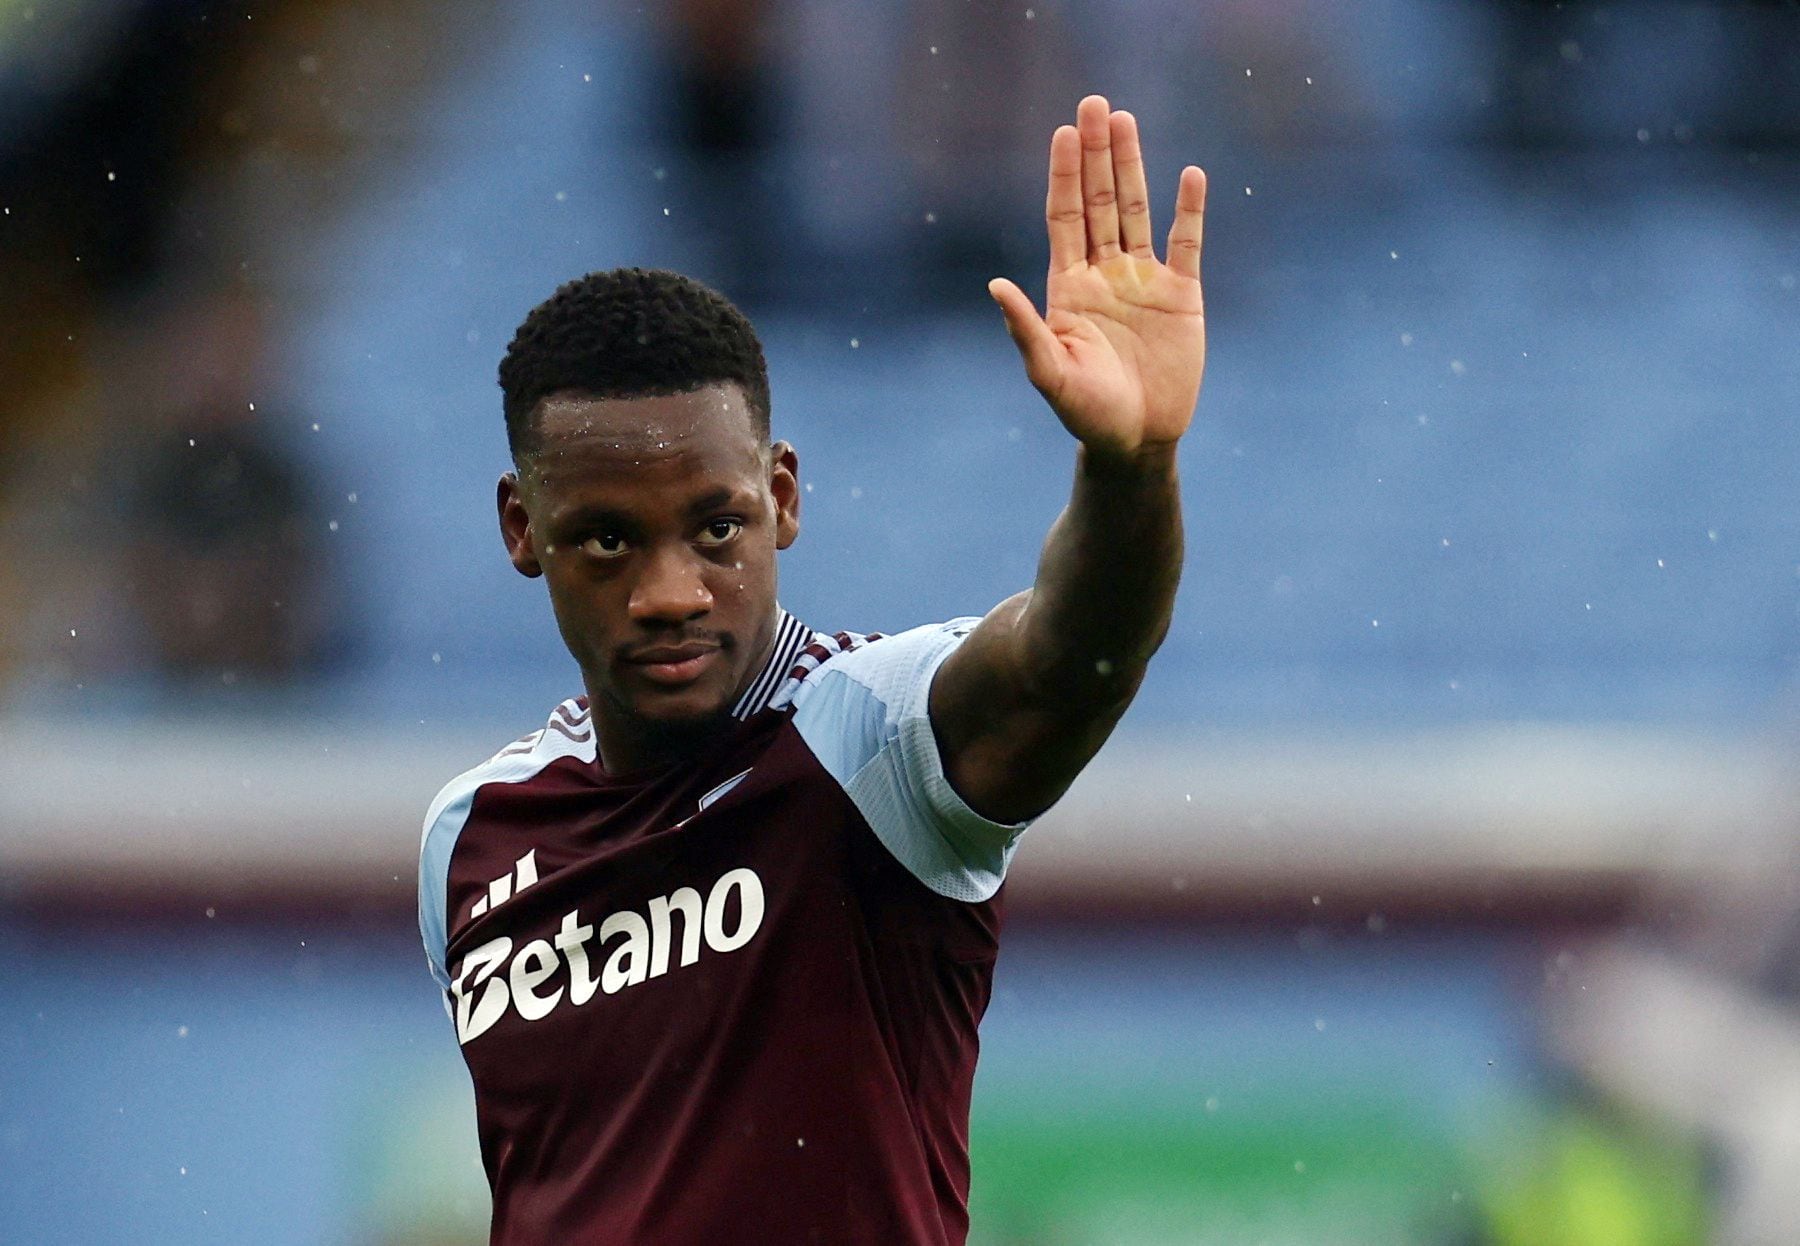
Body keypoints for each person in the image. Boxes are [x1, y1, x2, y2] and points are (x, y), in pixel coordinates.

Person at [418, 95, 1206, 1245]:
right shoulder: (468, 835)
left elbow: (1072, 658)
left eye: (716, 528)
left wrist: (1131, 467)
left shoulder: (871, 740)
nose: (673, 590)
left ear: (781, 498)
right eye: (606, 540)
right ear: (520, 528)